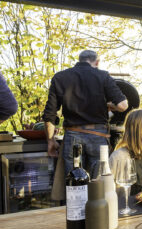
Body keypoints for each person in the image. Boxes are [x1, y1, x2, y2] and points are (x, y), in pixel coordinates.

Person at [43, 50, 128, 178]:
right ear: (97, 62)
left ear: (79, 60)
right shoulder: (103, 76)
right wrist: (109, 106)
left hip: (72, 137)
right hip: (98, 137)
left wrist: (50, 141)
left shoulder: (60, 77)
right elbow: (123, 106)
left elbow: (50, 114)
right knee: (99, 187)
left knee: (74, 183)